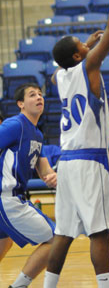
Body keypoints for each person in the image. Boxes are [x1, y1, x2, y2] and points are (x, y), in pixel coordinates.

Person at [43, 0, 109, 288]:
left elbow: (63, 62)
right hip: (90, 162)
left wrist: (85, 47)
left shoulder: (58, 78)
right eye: (82, 44)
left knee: (63, 233)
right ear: (78, 56)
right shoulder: (89, 67)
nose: (87, 44)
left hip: (66, 163)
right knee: (100, 233)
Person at [0, 83, 57, 287]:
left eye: (41, 94)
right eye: (32, 95)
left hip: (10, 199)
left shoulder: (37, 134)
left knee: (3, 244)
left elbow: (43, 167)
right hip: (7, 198)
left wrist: (52, 176)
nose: (39, 97)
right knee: (56, 239)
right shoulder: (15, 124)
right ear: (21, 104)